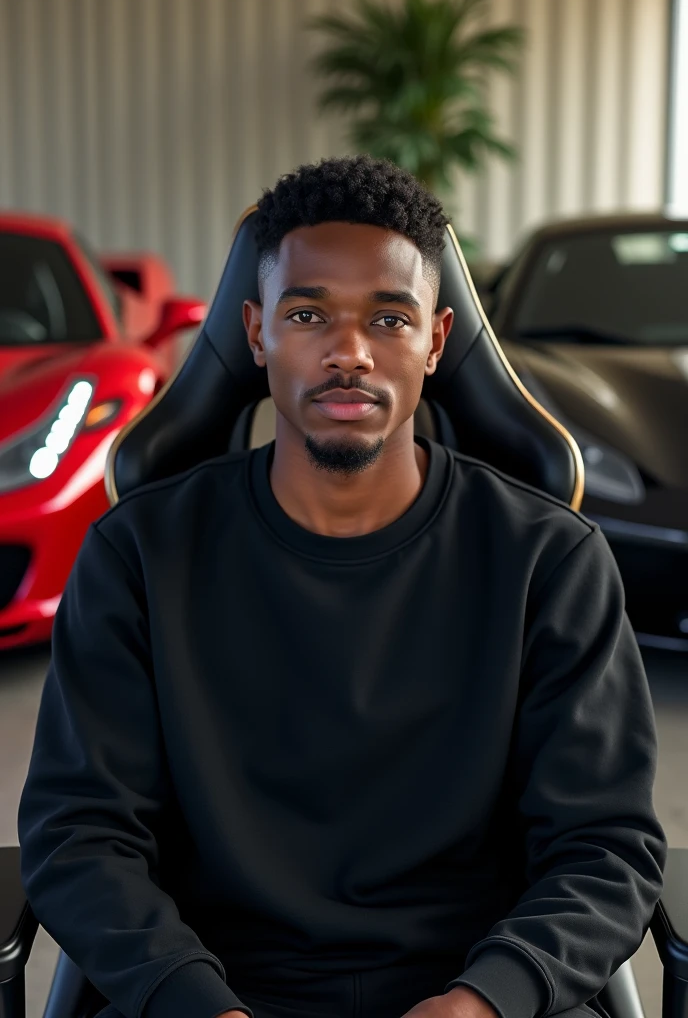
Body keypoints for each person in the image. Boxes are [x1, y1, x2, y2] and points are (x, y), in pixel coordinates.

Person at [18, 156, 666, 1018]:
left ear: (436, 343)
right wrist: (193, 999)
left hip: (474, 990)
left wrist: (486, 999)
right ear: (257, 334)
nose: (349, 351)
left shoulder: (550, 560)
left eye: (389, 318)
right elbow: (80, 833)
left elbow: (605, 846)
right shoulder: (138, 554)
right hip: (208, 990)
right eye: (309, 312)